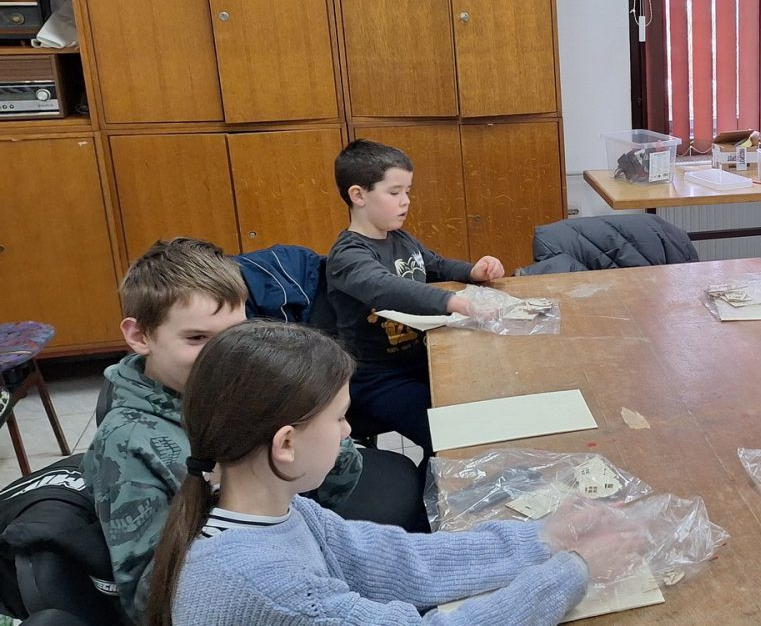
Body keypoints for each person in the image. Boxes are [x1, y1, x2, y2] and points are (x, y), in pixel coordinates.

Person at [143, 321, 640, 625]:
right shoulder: (259, 580)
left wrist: (543, 539)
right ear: (286, 444)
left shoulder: (279, 512)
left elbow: (397, 560)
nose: (347, 432)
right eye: (340, 418)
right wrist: (574, 570)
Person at [83, 238, 369, 622]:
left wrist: (315, 420)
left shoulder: (244, 383)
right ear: (140, 336)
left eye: (234, 336)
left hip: (299, 544)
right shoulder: (127, 443)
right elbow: (151, 599)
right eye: (197, 338)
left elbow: (338, 481)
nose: (222, 356)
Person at [325, 139, 506, 456]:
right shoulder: (347, 255)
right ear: (358, 195)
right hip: (379, 379)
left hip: (426, 358)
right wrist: (455, 302)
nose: (405, 201)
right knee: (452, 438)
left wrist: (473, 271)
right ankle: (433, 485)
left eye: (407, 191)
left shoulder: (401, 238)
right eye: (394, 192)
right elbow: (384, 287)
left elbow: (434, 265)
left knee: (489, 399)